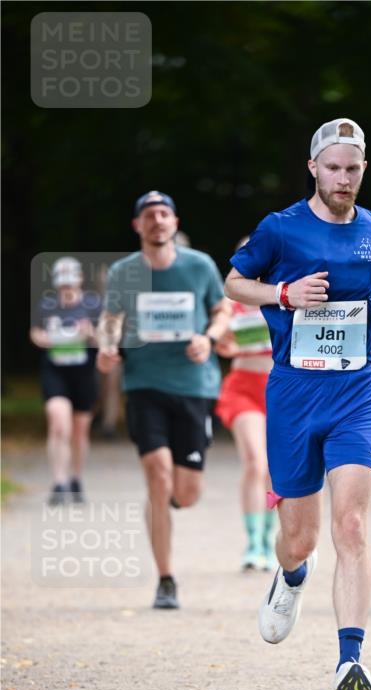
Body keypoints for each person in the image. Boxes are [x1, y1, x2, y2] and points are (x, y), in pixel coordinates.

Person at [224, 118, 371, 690]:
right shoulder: (280, 228)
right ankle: (292, 575)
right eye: (333, 167)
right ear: (313, 168)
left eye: (352, 168)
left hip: (356, 391)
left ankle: (349, 663)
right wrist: (284, 294)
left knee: (351, 525)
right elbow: (234, 282)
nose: (343, 178)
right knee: (300, 538)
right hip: (294, 395)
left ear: (363, 169)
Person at [96, 191, 227, 609]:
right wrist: (107, 346)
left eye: (164, 213)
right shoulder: (124, 272)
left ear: (175, 222)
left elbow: (221, 311)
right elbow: (111, 318)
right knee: (157, 473)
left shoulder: (199, 265)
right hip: (144, 384)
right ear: (138, 225)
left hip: (194, 386)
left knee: (185, 494)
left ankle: (168, 497)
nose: (157, 220)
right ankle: (166, 579)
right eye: (149, 215)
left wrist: (208, 338)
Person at [214, 239, 276, 571]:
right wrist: (221, 340)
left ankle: (268, 538)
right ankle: (252, 544)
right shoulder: (232, 300)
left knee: (274, 470)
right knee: (254, 461)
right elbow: (220, 335)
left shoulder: (282, 295)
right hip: (243, 388)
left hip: (279, 391)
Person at [30, 256, 101, 504]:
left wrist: (89, 333)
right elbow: (35, 333)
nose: (67, 286)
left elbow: (104, 338)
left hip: (83, 373)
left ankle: (76, 478)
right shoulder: (47, 306)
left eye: (71, 281)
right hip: (55, 371)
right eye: (63, 282)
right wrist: (45, 339)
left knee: (79, 432)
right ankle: (59, 482)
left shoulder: (93, 305)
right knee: (59, 423)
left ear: (80, 280)